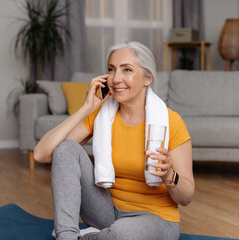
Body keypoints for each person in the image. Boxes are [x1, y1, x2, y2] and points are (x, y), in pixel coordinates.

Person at [34, 41, 194, 240]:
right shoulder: (102, 115)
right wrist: (86, 108)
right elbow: (42, 154)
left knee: (121, 234)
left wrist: (169, 175)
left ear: (148, 78)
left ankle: (95, 237)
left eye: (127, 70)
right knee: (66, 148)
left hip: (156, 219)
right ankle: (67, 236)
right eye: (111, 70)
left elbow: (186, 197)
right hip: (107, 212)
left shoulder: (172, 122)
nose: (116, 78)